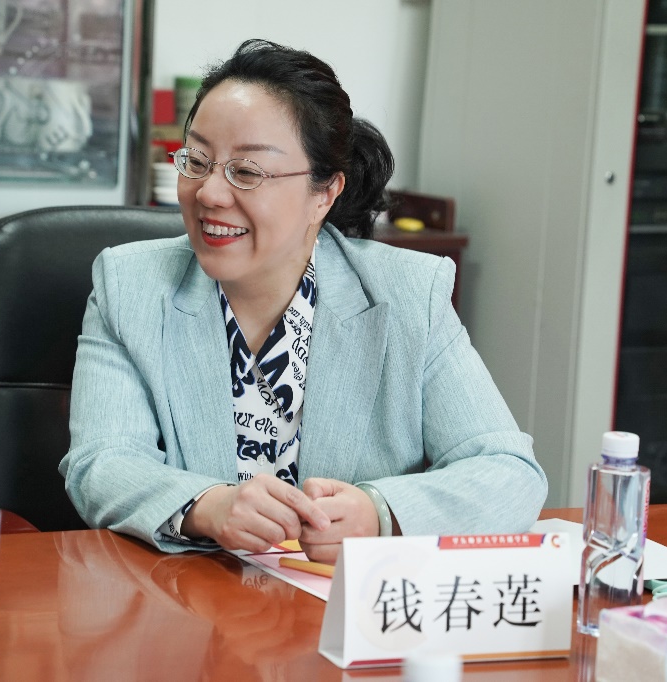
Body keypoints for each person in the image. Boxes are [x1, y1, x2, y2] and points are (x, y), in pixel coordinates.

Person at [59, 39, 547, 564]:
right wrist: (207, 505)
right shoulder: (129, 284)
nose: (209, 194)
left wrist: (379, 512)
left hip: (338, 605)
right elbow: (100, 463)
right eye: (196, 161)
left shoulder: (409, 295)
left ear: (324, 192)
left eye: (247, 172)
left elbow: (509, 472)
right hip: (188, 598)